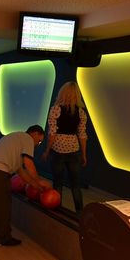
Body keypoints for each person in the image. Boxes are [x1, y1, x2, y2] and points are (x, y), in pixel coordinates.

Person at [0, 125, 47, 246]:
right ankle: (4, 238)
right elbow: (28, 163)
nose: (38, 144)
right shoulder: (27, 138)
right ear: (35, 133)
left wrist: (35, 185)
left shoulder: (17, 139)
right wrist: (39, 181)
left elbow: (21, 171)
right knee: (4, 205)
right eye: (39, 140)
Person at [42, 81, 88, 214]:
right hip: (74, 151)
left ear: (62, 93)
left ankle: (57, 211)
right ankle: (80, 214)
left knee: (58, 183)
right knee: (75, 185)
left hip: (58, 151)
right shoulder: (81, 112)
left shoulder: (56, 109)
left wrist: (47, 150)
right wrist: (84, 154)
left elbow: (52, 133)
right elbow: (82, 135)